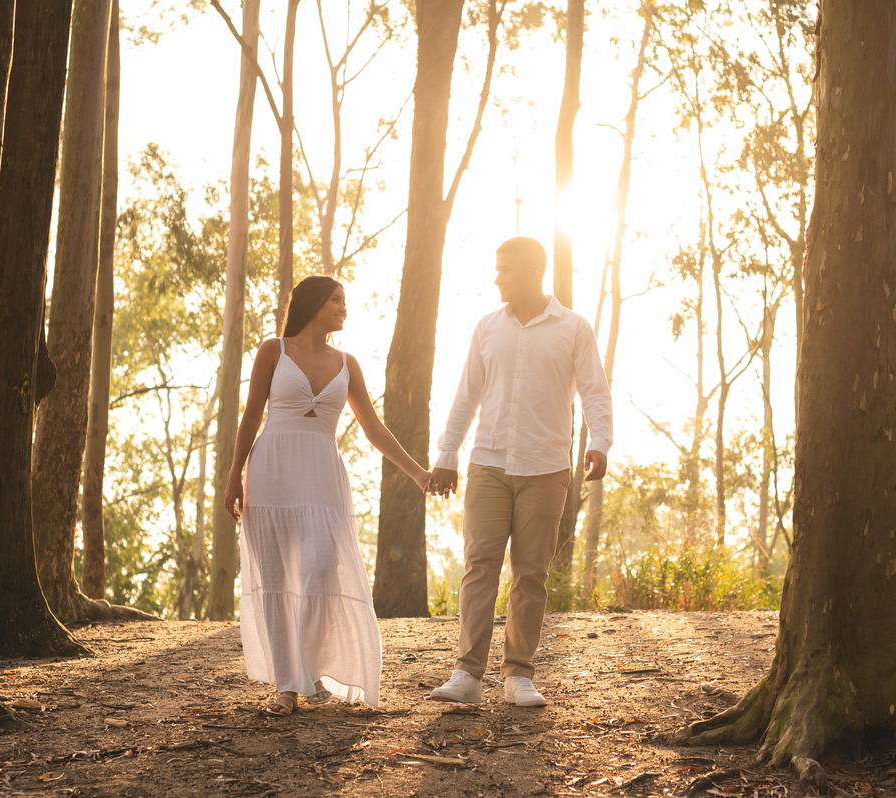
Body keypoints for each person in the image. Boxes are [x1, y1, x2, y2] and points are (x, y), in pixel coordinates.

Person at [224, 275, 431, 715]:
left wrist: (417, 473)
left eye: (344, 301)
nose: (343, 307)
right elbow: (251, 416)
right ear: (313, 302)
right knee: (275, 583)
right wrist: (233, 475)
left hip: (322, 474)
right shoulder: (273, 351)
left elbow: (374, 427)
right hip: (271, 470)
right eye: (336, 299)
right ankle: (287, 686)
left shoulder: (347, 363)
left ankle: (310, 666)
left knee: (320, 567)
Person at [427, 236, 613, 707]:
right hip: (487, 462)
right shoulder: (487, 327)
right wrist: (447, 454)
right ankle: (467, 675)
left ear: (533, 271)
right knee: (479, 568)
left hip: (545, 467)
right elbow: (466, 394)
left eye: (505, 269)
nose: (497, 278)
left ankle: (518, 675)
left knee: (531, 573)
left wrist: (599, 442)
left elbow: (594, 390)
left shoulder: (573, 328)